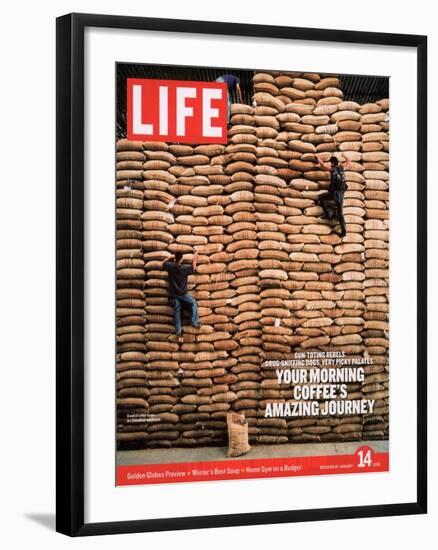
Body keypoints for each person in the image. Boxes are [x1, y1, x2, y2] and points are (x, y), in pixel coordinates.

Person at [161, 250, 200, 337]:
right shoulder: (184, 269)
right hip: (183, 294)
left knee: (177, 308)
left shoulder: (170, 266)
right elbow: (193, 268)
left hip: (173, 294)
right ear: (181, 259)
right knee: (193, 303)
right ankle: (194, 322)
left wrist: (169, 257)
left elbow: (163, 263)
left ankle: (178, 330)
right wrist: (195, 257)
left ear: (175, 259)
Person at [316, 153, 351, 238]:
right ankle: (343, 231)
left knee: (321, 197)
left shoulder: (332, 169)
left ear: (332, 163)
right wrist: (344, 155)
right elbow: (349, 161)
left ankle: (329, 213)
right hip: (341, 193)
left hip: (334, 194)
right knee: (340, 213)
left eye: (330, 163)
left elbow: (323, 164)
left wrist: (317, 157)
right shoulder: (342, 168)